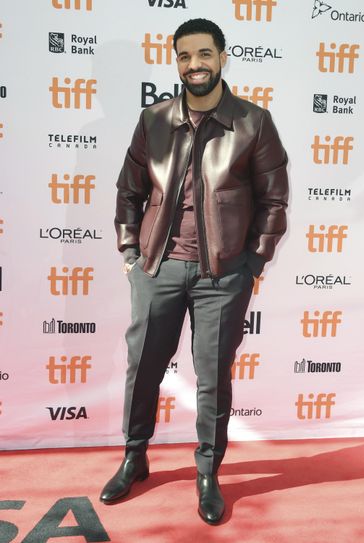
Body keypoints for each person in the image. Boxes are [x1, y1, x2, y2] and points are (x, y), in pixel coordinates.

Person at [100, 18, 288, 525]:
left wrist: (252, 263)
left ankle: (208, 472)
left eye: (204, 54)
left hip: (222, 277)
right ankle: (134, 457)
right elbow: (129, 191)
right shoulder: (154, 120)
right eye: (185, 56)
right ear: (176, 61)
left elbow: (274, 202)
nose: (194, 65)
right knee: (143, 368)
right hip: (158, 266)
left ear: (223, 57)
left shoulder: (253, 122)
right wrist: (130, 254)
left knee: (212, 378)